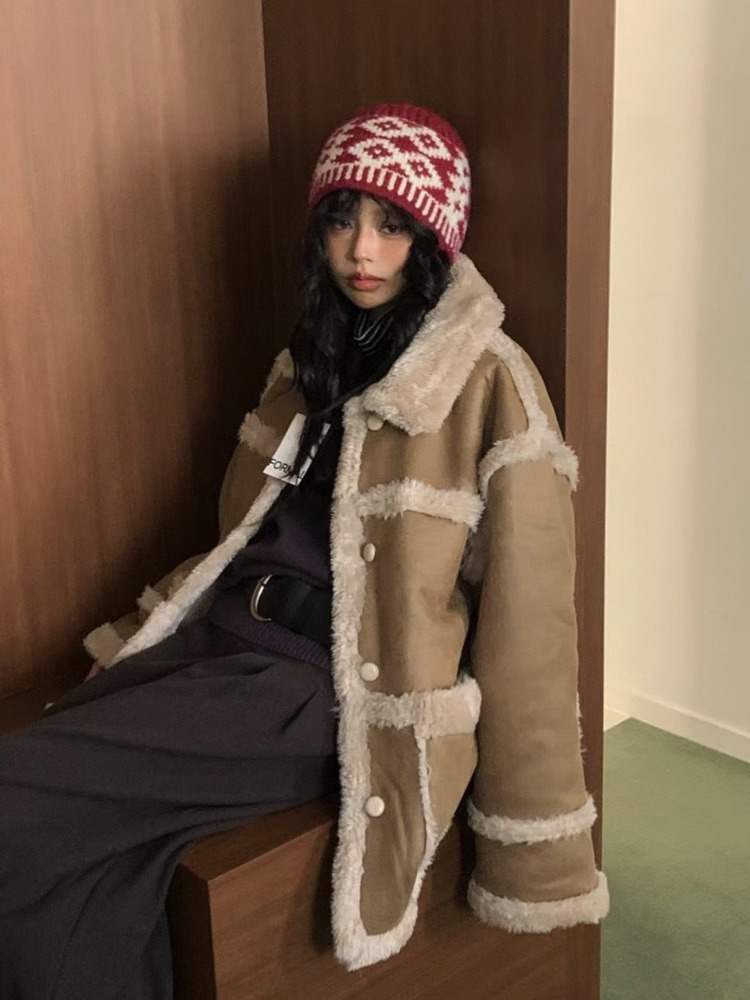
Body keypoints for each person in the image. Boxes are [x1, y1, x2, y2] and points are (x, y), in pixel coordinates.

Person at [0, 103, 609, 997]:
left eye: (392, 225)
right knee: (97, 871)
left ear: (432, 241)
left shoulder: (490, 382)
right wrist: (149, 631)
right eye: (342, 220)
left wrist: (534, 848)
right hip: (223, 644)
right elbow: (240, 538)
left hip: (322, 690)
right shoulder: (308, 360)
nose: (362, 250)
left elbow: (532, 630)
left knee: (15, 796)